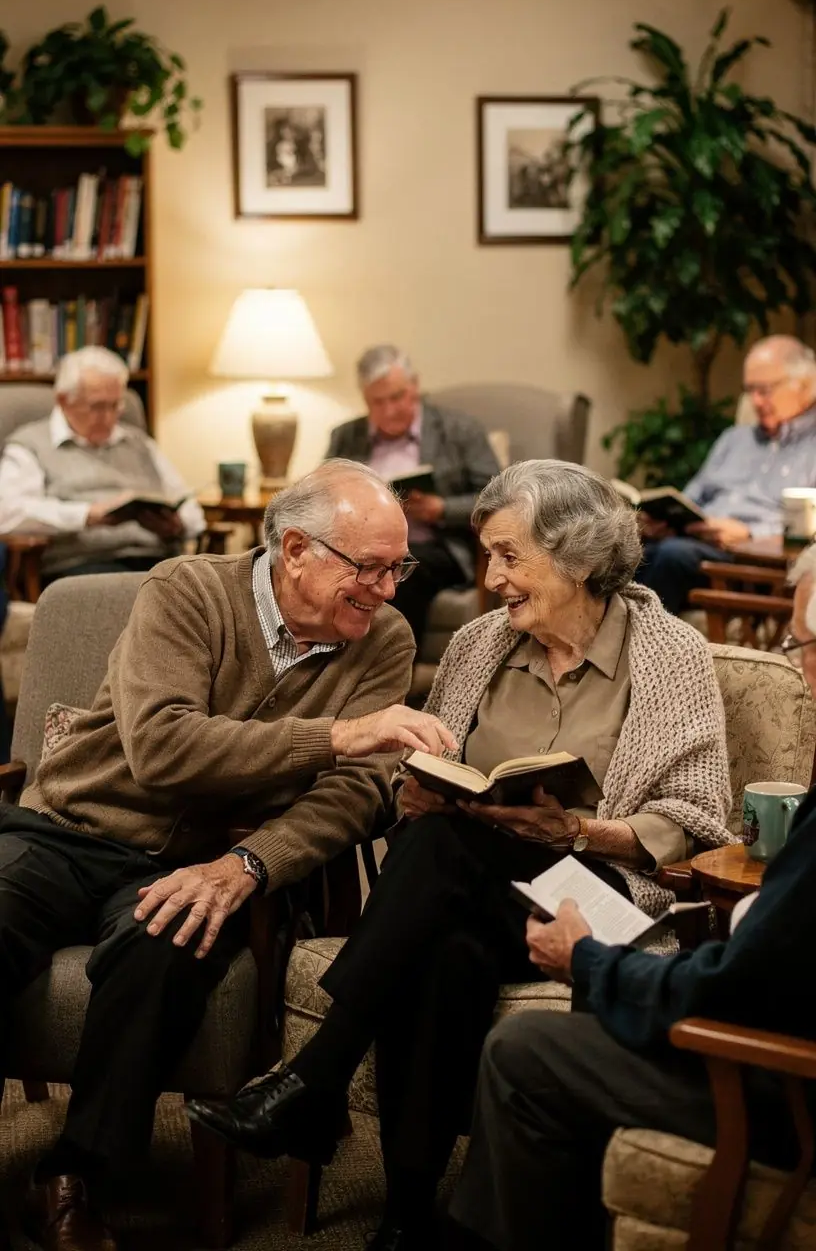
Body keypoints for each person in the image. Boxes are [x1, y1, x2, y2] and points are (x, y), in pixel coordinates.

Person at [188, 459, 734, 1251]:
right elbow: (433, 775)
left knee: (446, 852)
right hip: (468, 890)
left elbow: (697, 822)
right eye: (487, 555)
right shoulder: (480, 645)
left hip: (600, 898)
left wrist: (574, 831)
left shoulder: (670, 654)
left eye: (510, 556)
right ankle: (410, 1216)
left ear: (578, 556)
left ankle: (316, 1075)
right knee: (444, 940)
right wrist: (415, 797)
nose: (491, 577)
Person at [0, 460, 453, 1251]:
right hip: (69, 827)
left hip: (207, 860)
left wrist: (252, 865)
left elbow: (356, 796)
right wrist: (338, 735)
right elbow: (162, 749)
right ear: (297, 550)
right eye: (369, 568)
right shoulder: (187, 591)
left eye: (397, 567)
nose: (387, 588)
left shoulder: (384, 641)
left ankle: (76, 1180)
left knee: (166, 941)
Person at [447, 541, 816, 1251]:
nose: (798, 663)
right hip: (769, 1025)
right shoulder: (482, 645)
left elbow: (737, 985)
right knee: (444, 909)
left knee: (525, 1047)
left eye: (800, 641)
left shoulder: (666, 652)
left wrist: (590, 963)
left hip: (781, 1083)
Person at [325, 345, 500, 646]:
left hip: (436, 547)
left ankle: (386, 674)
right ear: (365, 399)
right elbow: (323, 495)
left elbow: (497, 499)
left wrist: (441, 509)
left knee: (398, 574)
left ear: (414, 386)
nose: (390, 410)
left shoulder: (460, 430)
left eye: (397, 397)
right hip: (356, 548)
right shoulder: (345, 436)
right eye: (378, 402)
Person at [635, 335, 816, 614]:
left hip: (751, 565)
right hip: (695, 543)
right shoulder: (734, 439)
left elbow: (808, 532)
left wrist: (750, 534)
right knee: (625, 549)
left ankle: (635, 650)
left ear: (804, 385)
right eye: (749, 390)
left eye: (764, 390)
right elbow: (692, 496)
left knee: (671, 557)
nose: (755, 401)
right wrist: (667, 519)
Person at [0, 345, 205, 581]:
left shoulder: (140, 443)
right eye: (97, 406)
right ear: (63, 400)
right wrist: (86, 515)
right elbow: (8, 513)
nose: (108, 417)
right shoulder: (30, 445)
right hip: (85, 566)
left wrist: (177, 526)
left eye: (116, 405)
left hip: (159, 562)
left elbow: (190, 508)